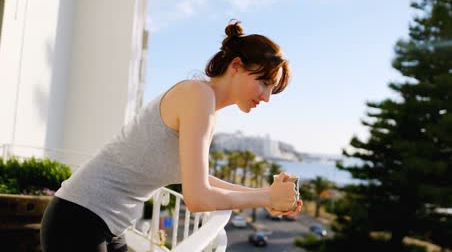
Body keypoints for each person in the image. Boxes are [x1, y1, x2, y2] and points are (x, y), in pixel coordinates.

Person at [40, 19, 303, 252]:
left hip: (107, 224)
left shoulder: (205, 105)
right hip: (78, 220)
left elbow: (199, 179)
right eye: (264, 82)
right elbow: (198, 197)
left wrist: (266, 193)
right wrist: (267, 198)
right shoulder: (197, 97)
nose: (267, 97)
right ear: (236, 66)